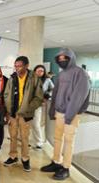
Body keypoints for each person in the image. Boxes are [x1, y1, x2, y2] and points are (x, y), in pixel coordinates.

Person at [41, 48, 90, 180]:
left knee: (69, 141)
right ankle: (56, 161)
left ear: (71, 58)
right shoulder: (62, 74)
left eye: (65, 58)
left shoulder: (80, 73)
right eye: (60, 59)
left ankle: (66, 167)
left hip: (72, 114)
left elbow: (79, 96)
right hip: (59, 112)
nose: (62, 60)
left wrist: (70, 114)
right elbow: (55, 92)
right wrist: (52, 110)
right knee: (57, 138)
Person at [3, 56, 43, 172]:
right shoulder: (12, 78)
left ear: (26, 66)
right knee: (13, 136)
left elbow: (38, 97)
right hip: (13, 113)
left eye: (19, 66)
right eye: (15, 66)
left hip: (25, 114)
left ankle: (25, 159)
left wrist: (28, 108)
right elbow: (6, 94)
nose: (17, 68)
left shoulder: (34, 78)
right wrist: (9, 109)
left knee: (25, 138)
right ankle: (13, 156)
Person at [31, 65, 54, 150]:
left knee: (36, 123)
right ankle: (29, 140)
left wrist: (47, 95)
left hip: (38, 104)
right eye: (38, 70)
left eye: (42, 71)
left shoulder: (47, 80)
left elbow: (53, 89)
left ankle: (39, 142)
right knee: (27, 124)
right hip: (27, 104)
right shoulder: (30, 79)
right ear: (35, 71)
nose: (40, 72)